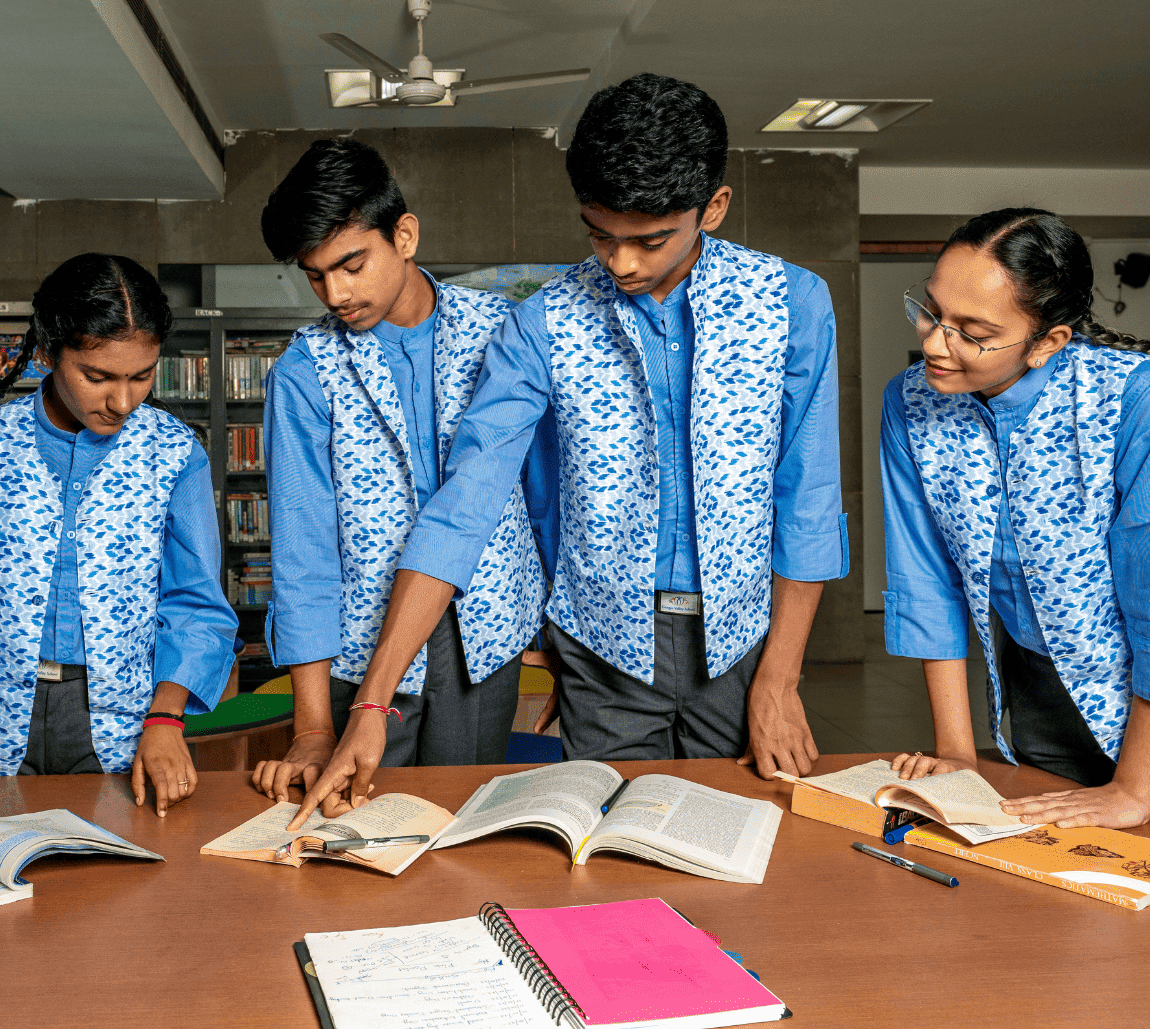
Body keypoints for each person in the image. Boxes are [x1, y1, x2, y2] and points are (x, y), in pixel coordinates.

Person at [290, 73, 848, 825]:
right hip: (602, 648)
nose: (619, 263)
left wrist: (780, 677)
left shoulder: (793, 303)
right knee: (614, 853)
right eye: (598, 233)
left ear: (711, 208)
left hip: (746, 644)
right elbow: (468, 502)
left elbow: (806, 499)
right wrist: (372, 698)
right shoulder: (540, 325)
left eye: (649, 239)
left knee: (740, 838)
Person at [880, 208, 1150, 876]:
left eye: (974, 333)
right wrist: (959, 754)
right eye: (931, 311)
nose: (935, 343)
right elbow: (926, 583)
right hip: (1044, 715)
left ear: (1048, 340)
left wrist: (1137, 789)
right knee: (1068, 944)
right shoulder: (910, 402)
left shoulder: (1140, 400)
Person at [248, 138, 549, 805]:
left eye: (352, 263)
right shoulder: (304, 373)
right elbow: (304, 555)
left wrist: (551, 631)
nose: (336, 292)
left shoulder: (506, 331)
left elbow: (545, 499)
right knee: (356, 832)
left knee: (460, 826)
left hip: (487, 638)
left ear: (404, 235)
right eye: (316, 274)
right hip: (360, 648)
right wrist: (313, 725)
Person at [0, 253, 236, 818]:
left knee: (120, 883)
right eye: (97, 377)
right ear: (48, 351)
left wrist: (167, 718)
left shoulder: (175, 454)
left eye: (141, 376)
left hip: (129, 715)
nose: (122, 402)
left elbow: (195, 604)